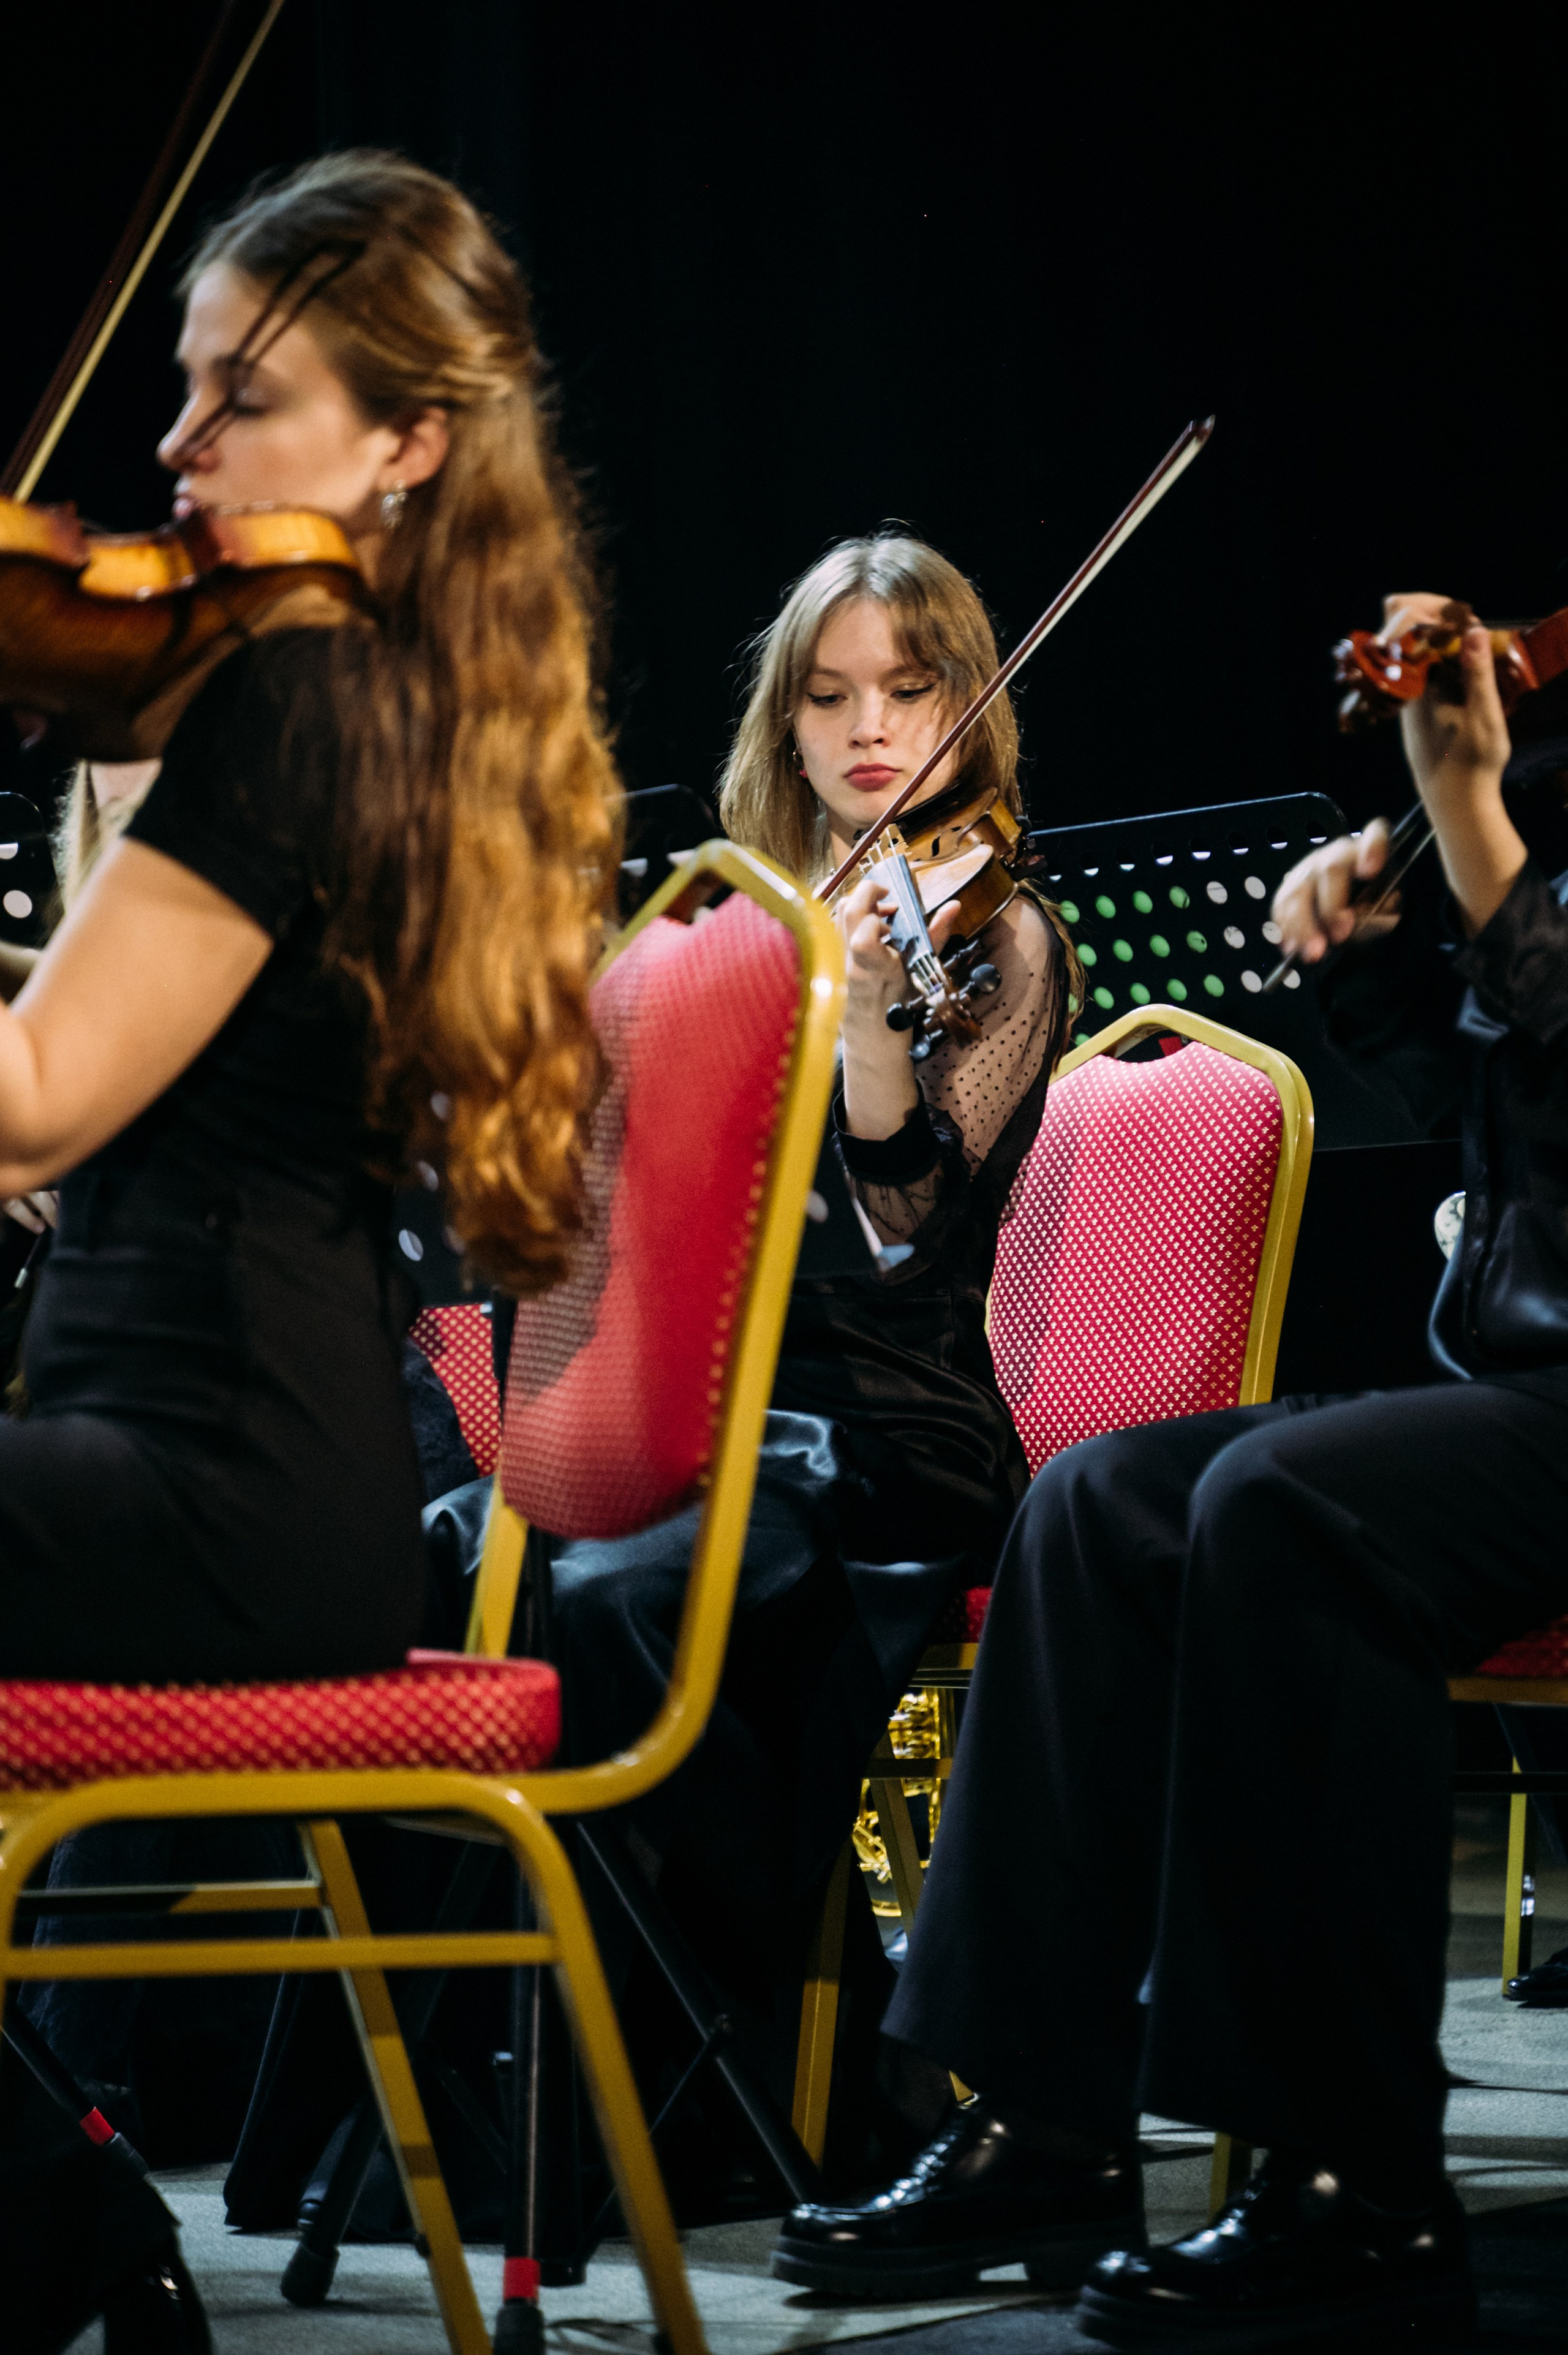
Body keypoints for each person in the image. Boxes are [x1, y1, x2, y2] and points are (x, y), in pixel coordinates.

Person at [772, 599, 1568, 2351]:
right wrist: (1367, 946)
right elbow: (1475, 1087)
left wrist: (1482, 835)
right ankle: (1042, 2117)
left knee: (1286, 1509)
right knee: (1101, 1494)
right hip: (1516, 1379)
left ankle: (1348, 2172)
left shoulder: (1519, 806)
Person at [0, 149, 617, 2355]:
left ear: (406, 443)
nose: (175, 452)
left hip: (218, 1493)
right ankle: (44, 2198)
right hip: (236, 1468)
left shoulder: (314, 699)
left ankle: (44, 2210)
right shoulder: (331, 693)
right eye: (182, 391)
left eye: (240, 397)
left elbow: (35, 1101)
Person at [530, 534, 1081, 2184]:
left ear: (965, 715)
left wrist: (865, 1047)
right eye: (830, 696)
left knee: (619, 1601)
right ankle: (545, 2088)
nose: (871, 728)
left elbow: (908, 1234)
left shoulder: (999, 944)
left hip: (886, 1432)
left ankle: (749, 2081)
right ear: (783, 727)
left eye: (911, 691)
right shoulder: (747, 926)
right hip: (711, 1408)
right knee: (463, 1560)